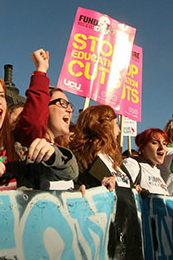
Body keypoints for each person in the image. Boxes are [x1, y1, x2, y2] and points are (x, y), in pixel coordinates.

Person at [69, 104, 143, 259]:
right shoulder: (77, 158)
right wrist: (96, 189)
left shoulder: (117, 162)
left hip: (128, 240)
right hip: (100, 243)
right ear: (101, 126)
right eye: (115, 123)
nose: (119, 130)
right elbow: (71, 193)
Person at [14, 49, 73, 147]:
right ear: (45, 108)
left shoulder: (63, 152)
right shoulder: (31, 141)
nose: (69, 110)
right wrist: (41, 69)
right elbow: (34, 120)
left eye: (69, 105)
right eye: (63, 103)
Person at [122, 128, 170, 195]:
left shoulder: (156, 171)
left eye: (164, 143)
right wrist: (133, 190)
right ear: (143, 148)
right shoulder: (133, 164)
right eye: (154, 143)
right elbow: (119, 190)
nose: (161, 147)